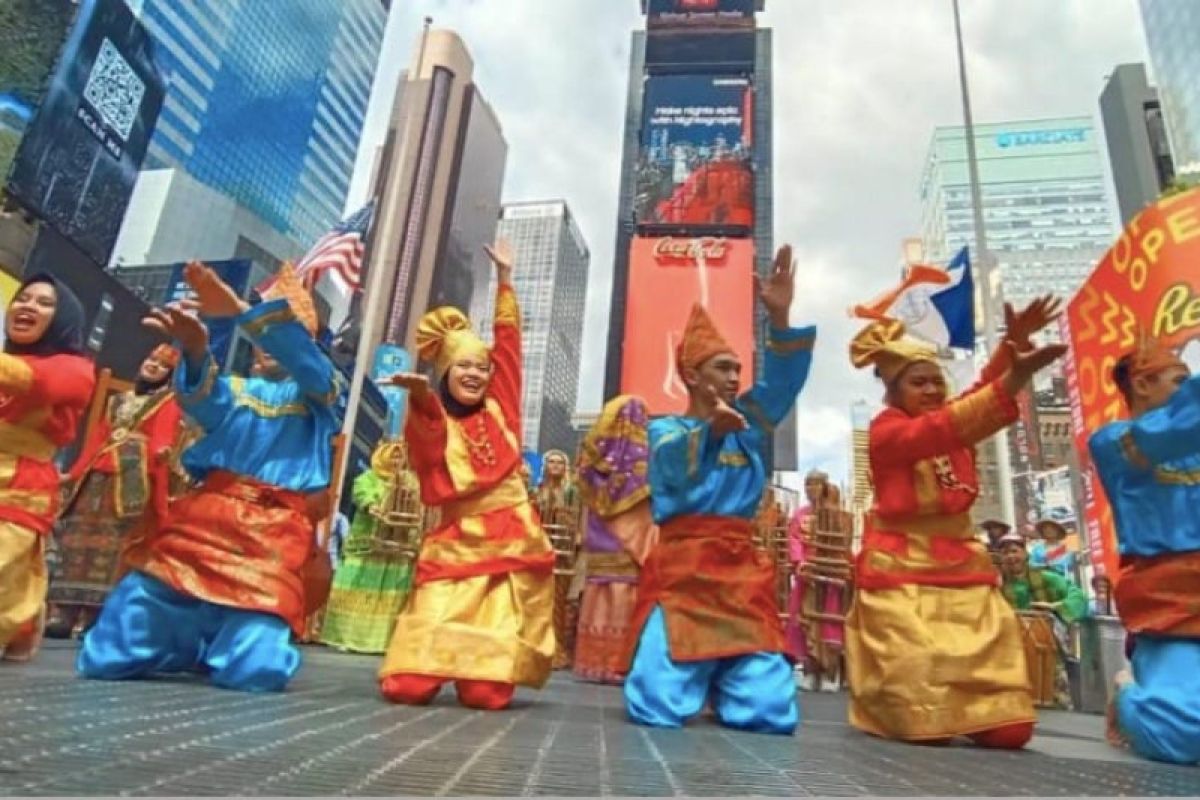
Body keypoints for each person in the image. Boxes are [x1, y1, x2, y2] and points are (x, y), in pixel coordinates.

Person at [78, 261, 342, 692]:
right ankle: (189, 641)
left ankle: (216, 642)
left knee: (257, 671)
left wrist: (241, 309)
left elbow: (310, 368)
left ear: (304, 340)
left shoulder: (321, 393)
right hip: (203, 523)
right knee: (107, 656)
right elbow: (202, 401)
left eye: (283, 329)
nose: (269, 345)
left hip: (271, 537)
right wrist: (197, 349)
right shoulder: (237, 389)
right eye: (263, 334)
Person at [844, 294, 1066, 748]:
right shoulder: (888, 432)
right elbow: (946, 426)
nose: (931, 391)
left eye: (935, 382)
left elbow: (977, 393)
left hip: (962, 571)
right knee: (923, 719)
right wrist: (1016, 376)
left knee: (1010, 729)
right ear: (893, 392)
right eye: (918, 383)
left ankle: (983, 710)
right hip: (901, 578)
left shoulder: (948, 418)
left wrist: (1013, 344)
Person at [622, 245, 815, 735]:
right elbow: (670, 466)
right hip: (683, 576)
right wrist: (709, 432)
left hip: (739, 578)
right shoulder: (665, 429)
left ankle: (728, 681)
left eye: (736, 370)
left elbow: (782, 386)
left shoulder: (748, 426)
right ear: (691, 376)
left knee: (769, 712)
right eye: (722, 369)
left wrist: (781, 316)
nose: (734, 377)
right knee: (657, 705)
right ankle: (696, 677)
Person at [380, 240, 555, 711]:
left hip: (510, 544)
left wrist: (506, 282)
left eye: (482, 366)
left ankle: (480, 667)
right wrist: (419, 403)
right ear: (444, 371)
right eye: (464, 366)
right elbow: (429, 443)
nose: (476, 374)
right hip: (456, 544)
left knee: (487, 694)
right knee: (407, 688)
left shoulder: (502, 410)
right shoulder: (435, 416)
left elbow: (511, 350)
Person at [1089, 333, 1200, 764]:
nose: (1186, 389)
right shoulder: (1116, 443)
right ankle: (1128, 693)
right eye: (1179, 380)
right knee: (1185, 730)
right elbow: (1172, 430)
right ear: (1141, 384)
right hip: (1172, 608)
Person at [47, 344, 185, 639]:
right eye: (151, 359)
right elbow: (96, 441)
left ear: (170, 376)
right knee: (75, 542)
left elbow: (163, 436)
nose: (153, 366)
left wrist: (162, 451)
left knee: (114, 548)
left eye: (162, 366)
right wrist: (72, 474)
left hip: (131, 481)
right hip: (96, 477)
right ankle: (65, 613)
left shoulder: (168, 401)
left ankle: (97, 617)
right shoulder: (117, 401)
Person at [0, 275, 95, 663]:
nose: (27, 307)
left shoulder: (75, 369)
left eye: (42, 303)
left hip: (19, 485)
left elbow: (42, 384)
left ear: (63, 321)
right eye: (22, 299)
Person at [573, 395, 658, 684]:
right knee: (624, 593)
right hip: (630, 542)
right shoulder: (644, 461)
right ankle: (622, 662)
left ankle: (594, 663)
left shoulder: (591, 462)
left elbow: (584, 501)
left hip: (599, 538)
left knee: (599, 592)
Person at [320, 441, 423, 654]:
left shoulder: (410, 481)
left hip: (398, 548)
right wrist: (373, 506)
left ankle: (383, 641)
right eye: (392, 457)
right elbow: (362, 496)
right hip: (367, 547)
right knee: (357, 589)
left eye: (400, 457)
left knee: (392, 593)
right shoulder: (367, 479)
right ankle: (346, 636)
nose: (396, 461)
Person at [784, 470, 845, 678]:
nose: (811, 489)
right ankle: (809, 669)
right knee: (803, 620)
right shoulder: (800, 515)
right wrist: (800, 562)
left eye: (816, 485)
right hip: (807, 575)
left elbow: (842, 542)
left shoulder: (838, 514)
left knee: (831, 620)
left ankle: (830, 671)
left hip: (830, 574)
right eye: (808, 485)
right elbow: (794, 540)